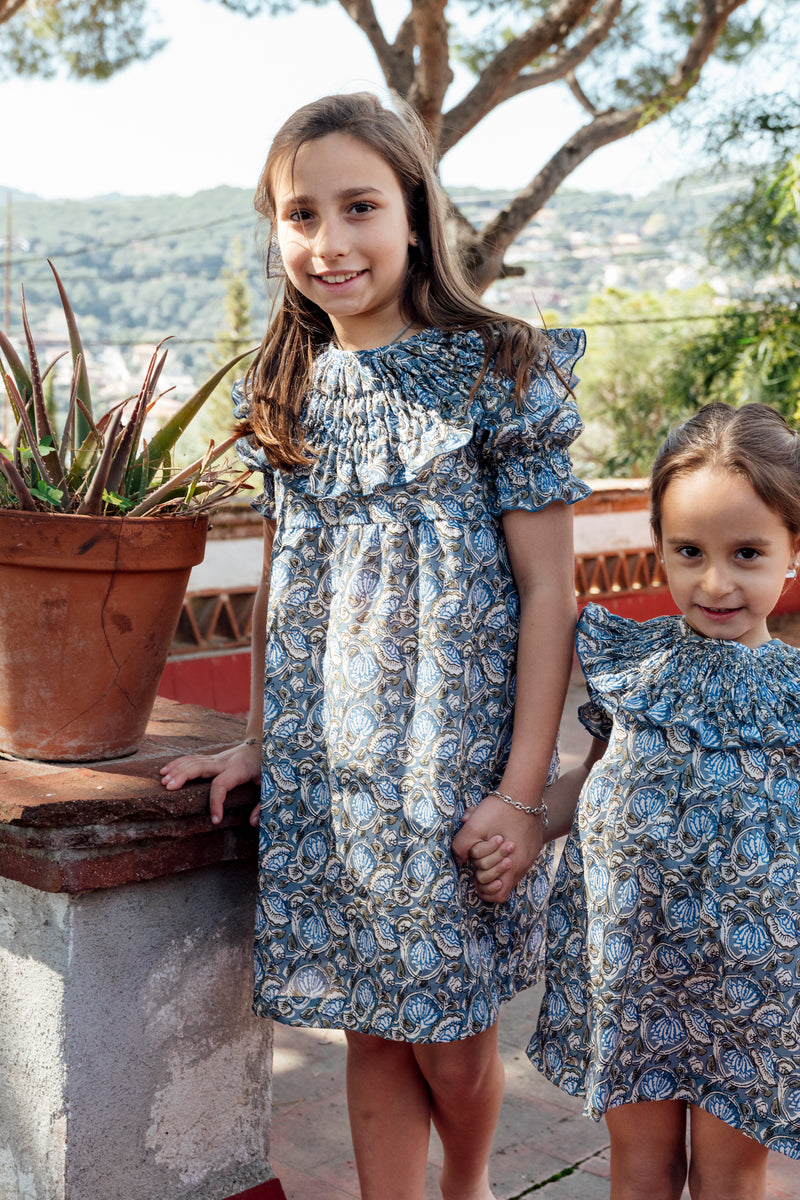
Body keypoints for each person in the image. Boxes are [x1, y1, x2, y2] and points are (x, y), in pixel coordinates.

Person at [160, 92, 589, 1200]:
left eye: (357, 206)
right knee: (368, 1025)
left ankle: (467, 1186)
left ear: (411, 212)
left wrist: (522, 793)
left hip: (453, 771)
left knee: (447, 1036)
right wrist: (259, 740)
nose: (329, 241)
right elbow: (287, 583)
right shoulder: (289, 386)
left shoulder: (502, 370)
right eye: (299, 214)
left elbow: (549, 592)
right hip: (330, 778)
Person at [472, 402, 800, 1199]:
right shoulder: (632, 665)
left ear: (793, 550)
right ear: (659, 544)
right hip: (635, 963)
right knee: (643, 1168)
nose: (715, 581)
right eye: (689, 551)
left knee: (729, 1176)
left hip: (751, 986)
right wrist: (526, 827)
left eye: (747, 553)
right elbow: (594, 778)